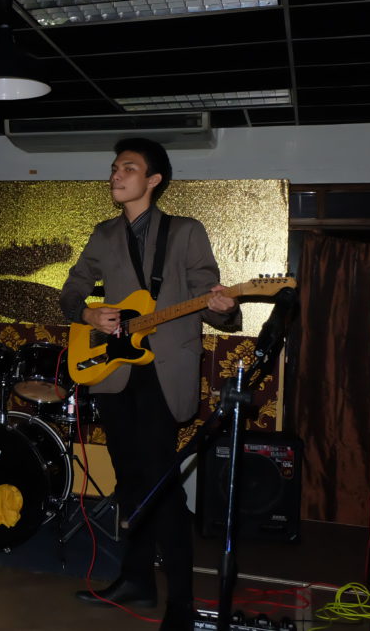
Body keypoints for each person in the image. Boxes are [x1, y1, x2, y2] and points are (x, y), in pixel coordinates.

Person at [59, 137, 240, 630]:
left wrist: (225, 309)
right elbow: (72, 289)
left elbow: (211, 296)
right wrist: (89, 311)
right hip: (116, 374)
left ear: (154, 180)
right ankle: (137, 580)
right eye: (114, 167)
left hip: (164, 375)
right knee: (131, 482)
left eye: (129, 168)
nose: (116, 175)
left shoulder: (185, 232)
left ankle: (181, 601)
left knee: (162, 487)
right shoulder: (101, 235)